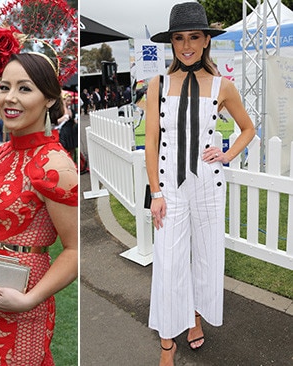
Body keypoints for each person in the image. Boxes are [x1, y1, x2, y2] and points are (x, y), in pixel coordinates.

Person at [145, 3, 255, 365]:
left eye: (194, 37)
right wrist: (156, 193)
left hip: (207, 185)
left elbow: (248, 129)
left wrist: (225, 154)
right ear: (172, 43)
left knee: (206, 256)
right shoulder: (157, 85)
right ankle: (166, 343)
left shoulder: (223, 86)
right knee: (168, 262)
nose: (187, 45)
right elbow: (151, 143)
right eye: (179, 38)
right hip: (169, 187)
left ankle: (194, 318)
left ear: (206, 40)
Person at [0, 52, 79, 364]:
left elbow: (73, 250)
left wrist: (29, 299)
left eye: (24, 88)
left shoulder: (55, 164)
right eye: (5, 87)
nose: (10, 98)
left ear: (49, 99)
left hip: (22, 299)